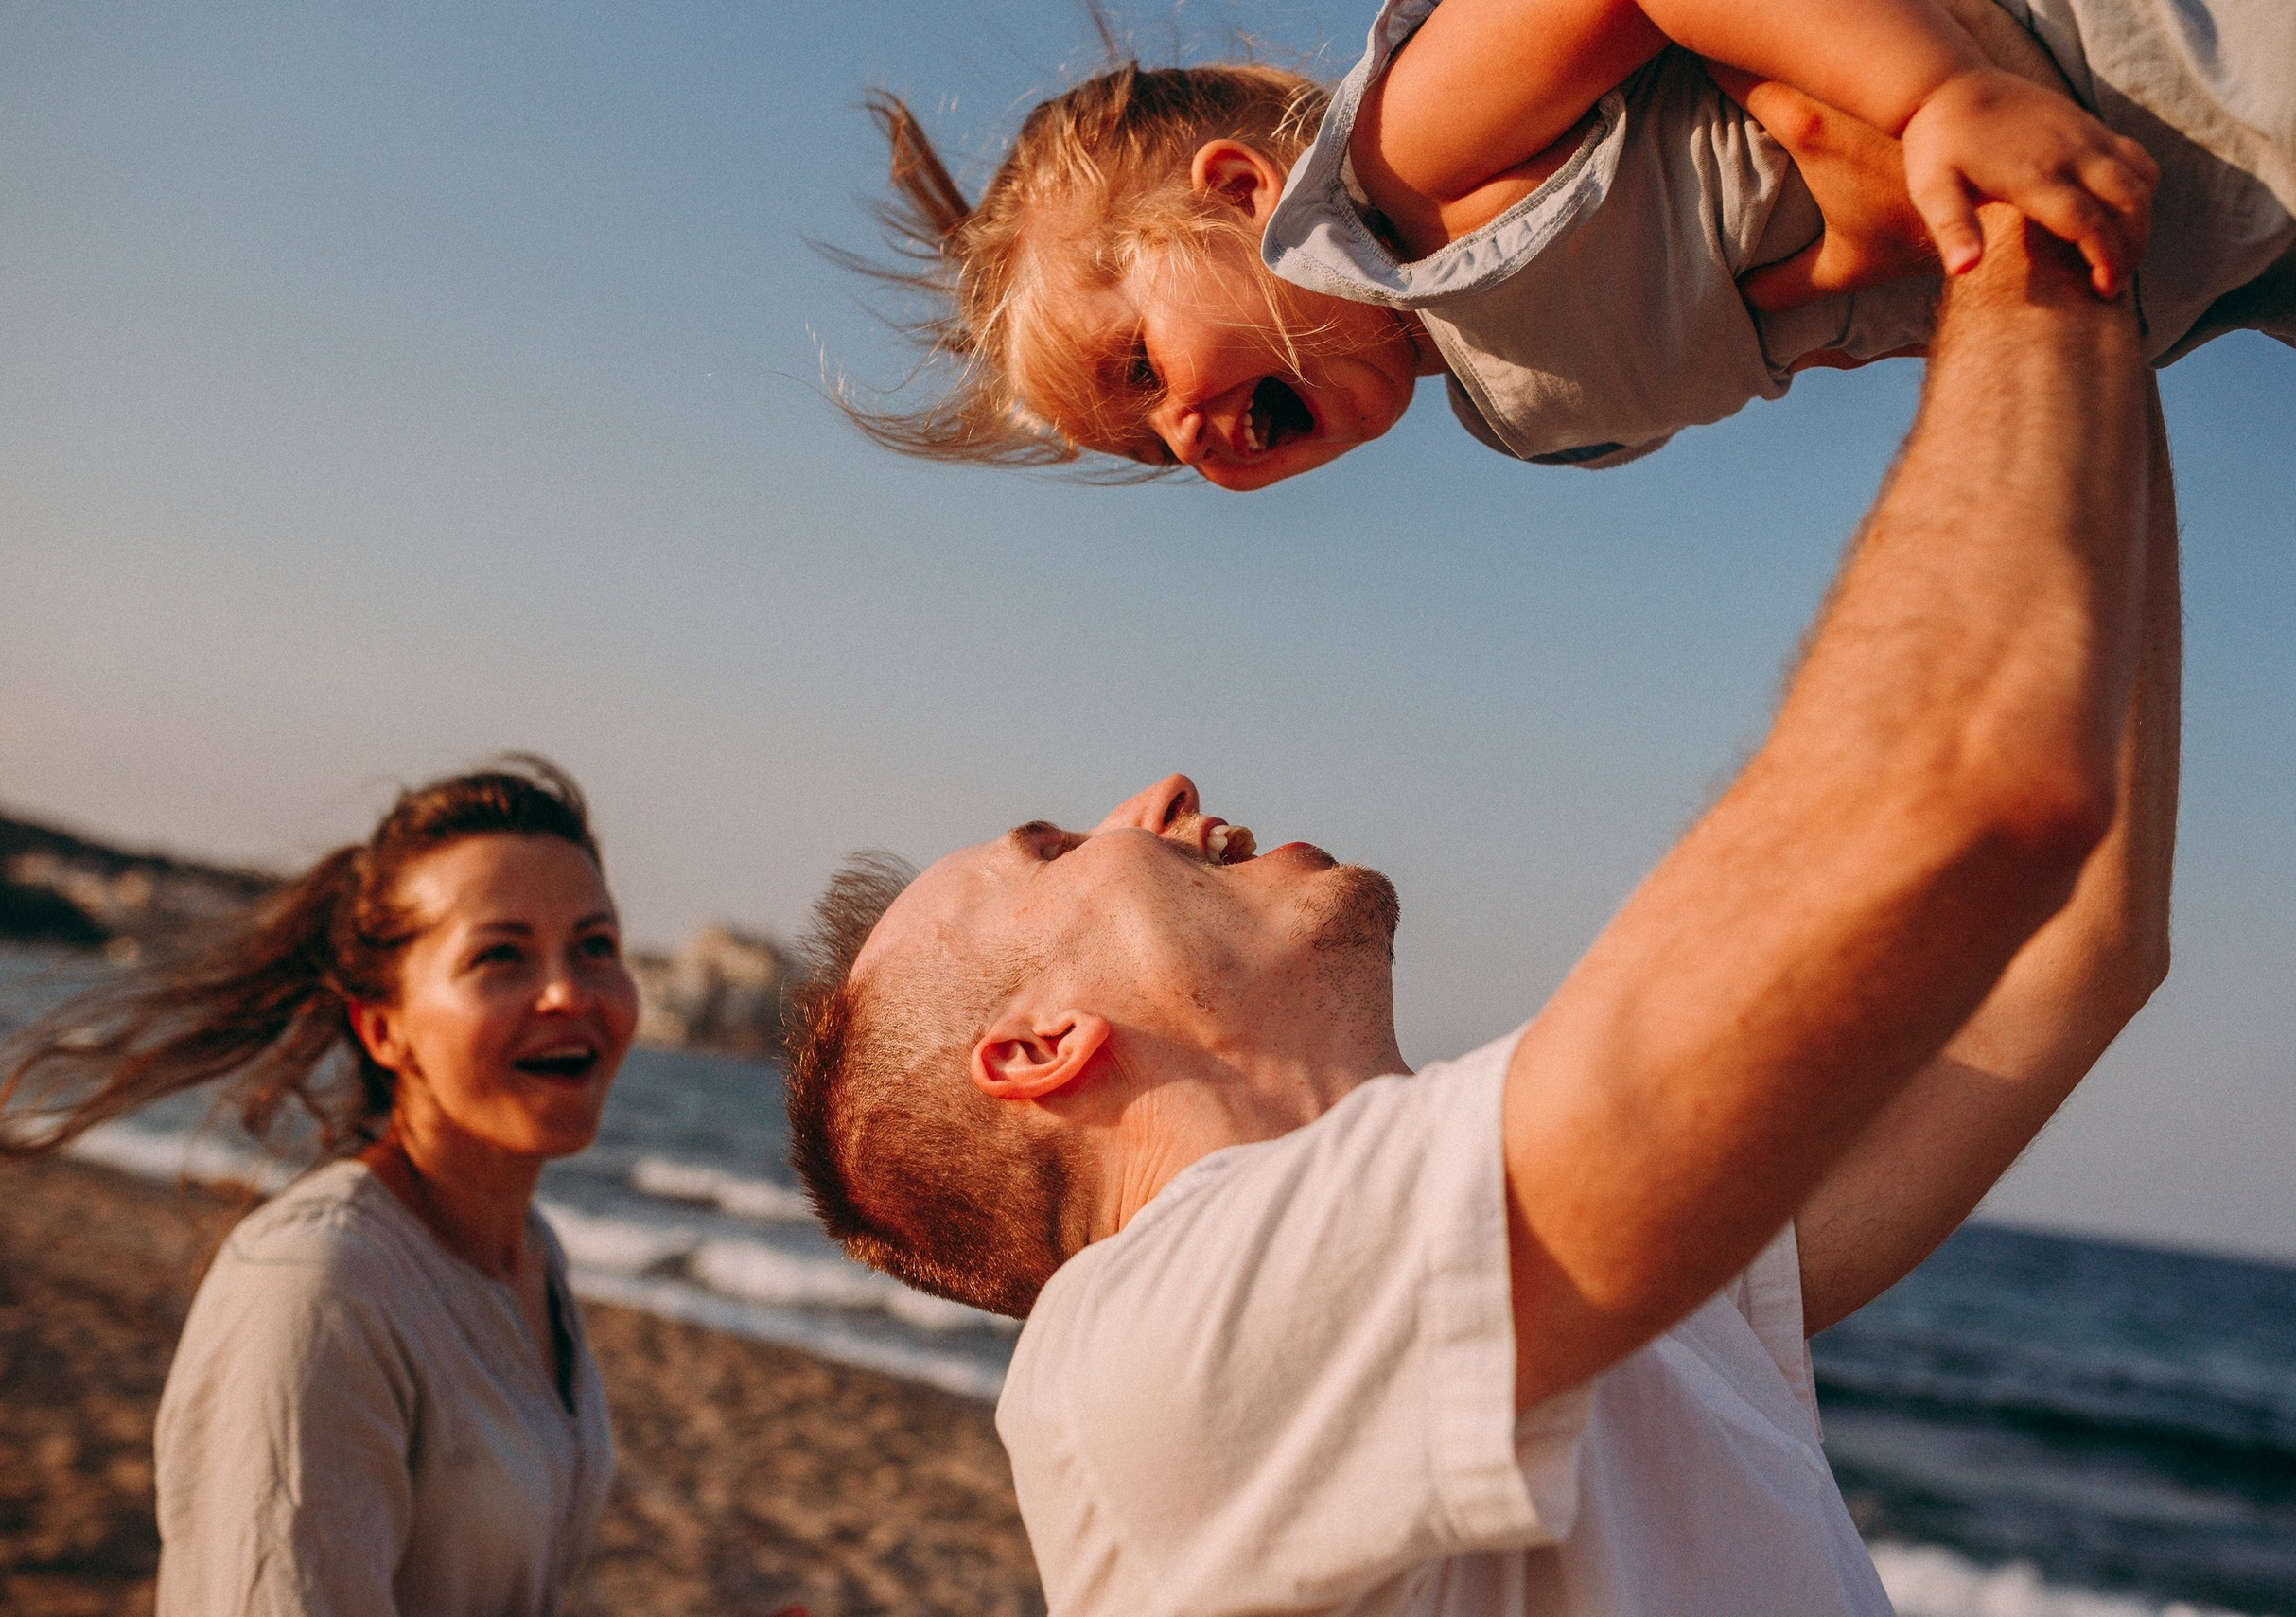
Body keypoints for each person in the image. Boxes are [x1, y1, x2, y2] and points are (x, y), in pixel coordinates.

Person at [786, 210, 2176, 1613]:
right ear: (1039, 1047)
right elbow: (1974, 792)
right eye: (1052, 847)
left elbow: (2076, 950)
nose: (1156, 793)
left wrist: (2114, 283)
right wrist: (2023, 234)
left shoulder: (1555, 1267)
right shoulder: (1152, 1341)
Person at [835, 0, 2296, 485]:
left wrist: (1930, 93)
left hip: (2060, 66)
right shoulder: (1531, 417)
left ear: (1246, 190)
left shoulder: (1403, 166)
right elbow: (1787, 313)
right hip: (2134, 259)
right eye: (1151, 451)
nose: (1187, 436)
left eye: (1139, 366)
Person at [0, 760, 636, 1617]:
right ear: (383, 1026)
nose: (569, 992)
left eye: (595, 945)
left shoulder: (534, 1258)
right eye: (501, 955)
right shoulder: (316, 1287)